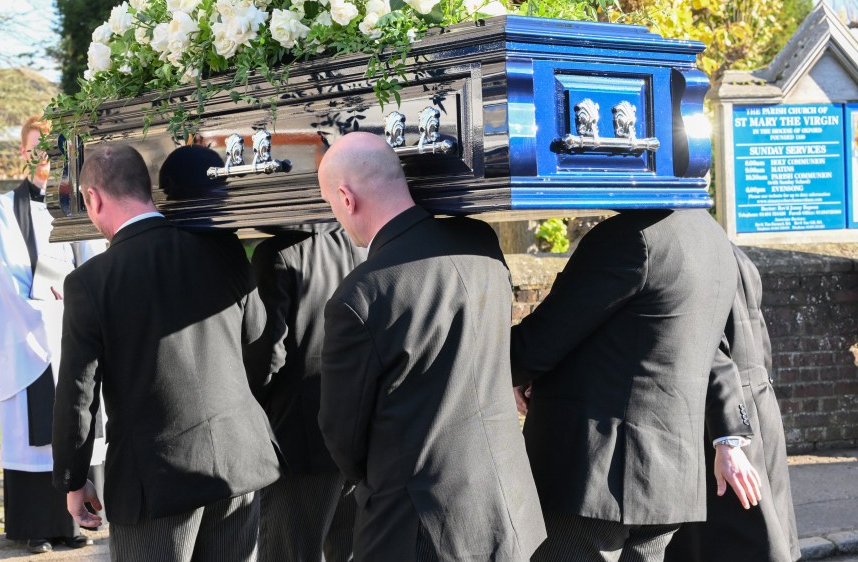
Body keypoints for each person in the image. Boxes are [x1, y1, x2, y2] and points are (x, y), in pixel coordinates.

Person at [316, 131, 545, 561]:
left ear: (346, 199)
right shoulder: (479, 241)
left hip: (419, 522)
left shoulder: (360, 296)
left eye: (331, 205)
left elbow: (342, 435)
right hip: (507, 503)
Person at [51, 143, 282, 561]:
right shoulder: (222, 248)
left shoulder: (89, 283)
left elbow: (77, 395)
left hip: (157, 476)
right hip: (238, 457)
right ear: (146, 189)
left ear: (93, 198)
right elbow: (257, 331)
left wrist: (73, 480)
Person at [510, 209, 761, 562]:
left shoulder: (631, 237)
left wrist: (504, 366)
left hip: (596, 477)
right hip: (669, 477)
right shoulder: (714, 237)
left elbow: (544, 338)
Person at [0, 115, 105, 554]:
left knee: (80, 418)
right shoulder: (4, 208)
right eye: (36, 150)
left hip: (75, 327)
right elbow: (7, 274)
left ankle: (77, 522)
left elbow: (93, 260)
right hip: (32, 333)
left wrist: (85, 307)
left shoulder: (78, 204)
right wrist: (49, 309)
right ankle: (37, 524)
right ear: (23, 153)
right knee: (36, 431)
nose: (44, 160)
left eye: (52, 150)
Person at [665, 245, 801, 562]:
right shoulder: (734, 253)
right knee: (769, 534)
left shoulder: (690, 253)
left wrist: (725, 438)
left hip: (722, 412)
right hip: (758, 401)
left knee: (738, 538)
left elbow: (708, 347)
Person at [248, 222, 365, 562]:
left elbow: (269, 353)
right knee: (348, 549)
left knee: (290, 551)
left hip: (297, 435)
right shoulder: (355, 241)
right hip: (351, 423)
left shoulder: (277, 253)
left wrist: (254, 403)